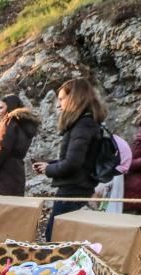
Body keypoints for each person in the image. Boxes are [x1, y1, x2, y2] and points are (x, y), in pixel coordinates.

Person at [33, 79, 107, 240]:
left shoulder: (83, 125)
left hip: (73, 191)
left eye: (61, 99)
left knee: (55, 237)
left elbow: (73, 163)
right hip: (77, 189)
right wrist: (50, 164)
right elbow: (77, 159)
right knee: (61, 237)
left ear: (75, 98)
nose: (59, 105)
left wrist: (48, 169)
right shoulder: (86, 124)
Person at [0, 95, 40, 196]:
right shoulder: (24, 125)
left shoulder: (9, 121)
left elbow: (2, 149)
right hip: (17, 175)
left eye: (1, 108)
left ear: (10, 107)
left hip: (2, 176)